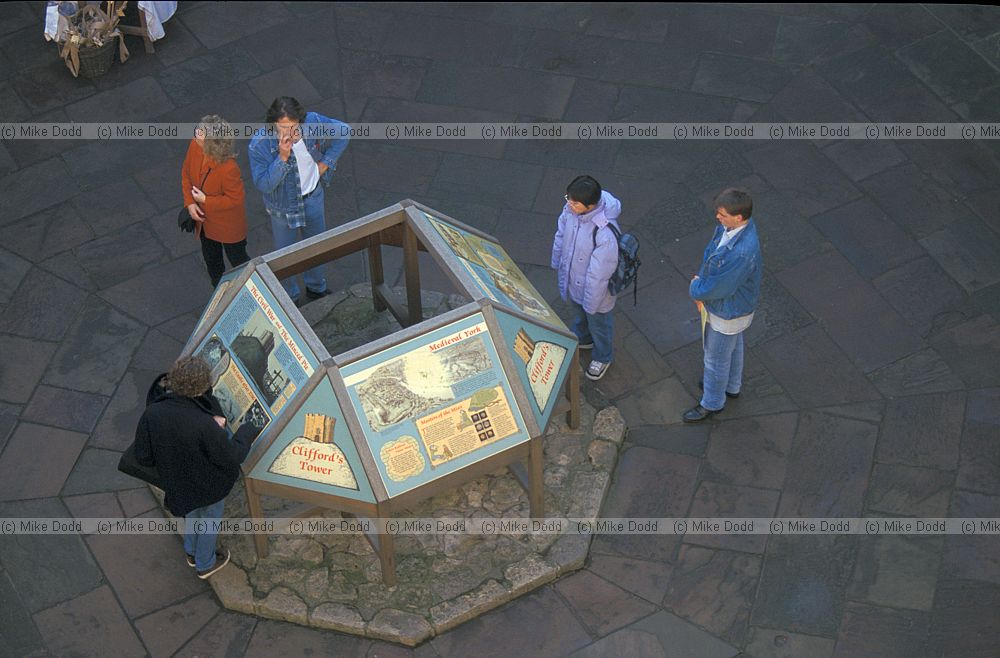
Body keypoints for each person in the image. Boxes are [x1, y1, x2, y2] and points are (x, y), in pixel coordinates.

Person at [134, 357, 260, 579]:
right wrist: (246, 432)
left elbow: (144, 455)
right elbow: (231, 457)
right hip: (208, 485)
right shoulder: (204, 425)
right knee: (209, 520)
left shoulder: (153, 411)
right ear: (202, 387)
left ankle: (191, 552)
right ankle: (205, 563)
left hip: (178, 482)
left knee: (191, 514)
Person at [248, 96, 351, 304]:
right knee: (286, 257)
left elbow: (344, 131)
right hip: (282, 209)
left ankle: (316, 288)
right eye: (282, 128)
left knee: (317, 247)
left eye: (293, 127)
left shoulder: (312, 123)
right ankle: (291, 297)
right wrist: (282, 158)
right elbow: (264, 184)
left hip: (313, 197)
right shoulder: (259, 144)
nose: (289, 133)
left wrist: (325, 164)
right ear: (273, 124)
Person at [684, 188, 762, 422]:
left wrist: (696, 289)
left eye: (722, 214)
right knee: (734, 344)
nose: (718, 217)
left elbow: (722, 287)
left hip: (727, 311)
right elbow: (711, 257)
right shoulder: (732, 229)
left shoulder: (740, 252)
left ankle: (712, 402)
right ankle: (731, 386)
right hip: (736, 309)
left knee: (715, 359)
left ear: (738, 217)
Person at [551, 175, 622, 381]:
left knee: (599, 325)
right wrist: (557, 261)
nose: (569, 204)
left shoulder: (605, 233)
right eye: (568, 199)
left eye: (574, 202)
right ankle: (582, 338)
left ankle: (603, 356)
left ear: (590, 206)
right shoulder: (570, 212)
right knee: (579, 315)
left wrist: (591, 303)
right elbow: (560, 236)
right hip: (575, 280)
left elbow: (599, 275)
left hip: (597, 294)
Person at [182, 115, 249, 288]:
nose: (196, 132)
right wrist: (190, 203)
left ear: (212, 143)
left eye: (201, 132)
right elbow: (186, 173)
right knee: (212, 262)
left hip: (227, 226)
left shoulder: (228, 168)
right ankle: (219, 295)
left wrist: (205, 200)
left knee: (239, 261)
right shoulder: (194, 145)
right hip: (205, 223)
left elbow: (235, 199)